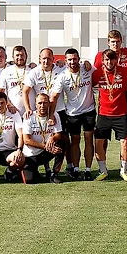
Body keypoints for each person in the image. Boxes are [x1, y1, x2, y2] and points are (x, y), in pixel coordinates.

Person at [22, 48, 70, 177]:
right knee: (42, 137)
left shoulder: (61, 69)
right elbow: (25, 91)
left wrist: (86, 64)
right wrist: (28, 108)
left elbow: (74, 66)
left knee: (62, 139)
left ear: (53, 59)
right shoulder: (34, 72)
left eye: (49, 58)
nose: (46, 61)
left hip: (58, 111)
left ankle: (67, 167)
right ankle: (44, 168)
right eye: (43, 58)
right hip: (41, 111)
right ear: (39, 59)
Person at [50, 48, 96, 181]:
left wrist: (88, 63)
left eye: (75, 59)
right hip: (72, 113)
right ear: (65, 60)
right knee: (75, 140)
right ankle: (76, 169)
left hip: (89, 110)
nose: (72, 62)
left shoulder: (87, 68)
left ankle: (88, 170)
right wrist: (51, 114)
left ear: (79, 59)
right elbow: (54, 96)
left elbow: (100, 70)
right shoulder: (62, 76)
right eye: (69, 59)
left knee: (88, 139)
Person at [92, 49, 127, 181]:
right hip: (103, 114)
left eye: (112, 59)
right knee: (98, 142)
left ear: (116, 60)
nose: (109, 62)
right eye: (106, 59)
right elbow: (86, 82)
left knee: (125, 142)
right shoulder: (97, 73)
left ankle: (123, 170)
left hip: (121, 114)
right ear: (102, 61)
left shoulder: (124, 71)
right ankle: (103, 170)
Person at [22, 93, 66, 184]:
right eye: (40, 103)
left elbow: (58, 134)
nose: (42, 105)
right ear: (35, 104)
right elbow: (26, 140)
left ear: (49, 104)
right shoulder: (29, 117)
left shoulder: (54, 115)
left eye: (45, 103)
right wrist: (46, 147)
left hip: (46, 152)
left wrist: (53, 138)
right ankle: (32, 170)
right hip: (31, 155)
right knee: (29, 180)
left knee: (61, 144)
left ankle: (54, 174)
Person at [0, 45, 31, 115]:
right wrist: (9, 104)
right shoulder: (6, 71)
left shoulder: (32, 70)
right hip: (12, 113)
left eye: (22, 55)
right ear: (13, 57)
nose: (20, 57)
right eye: (17, 55)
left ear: (26, 56)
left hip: (30, 112)